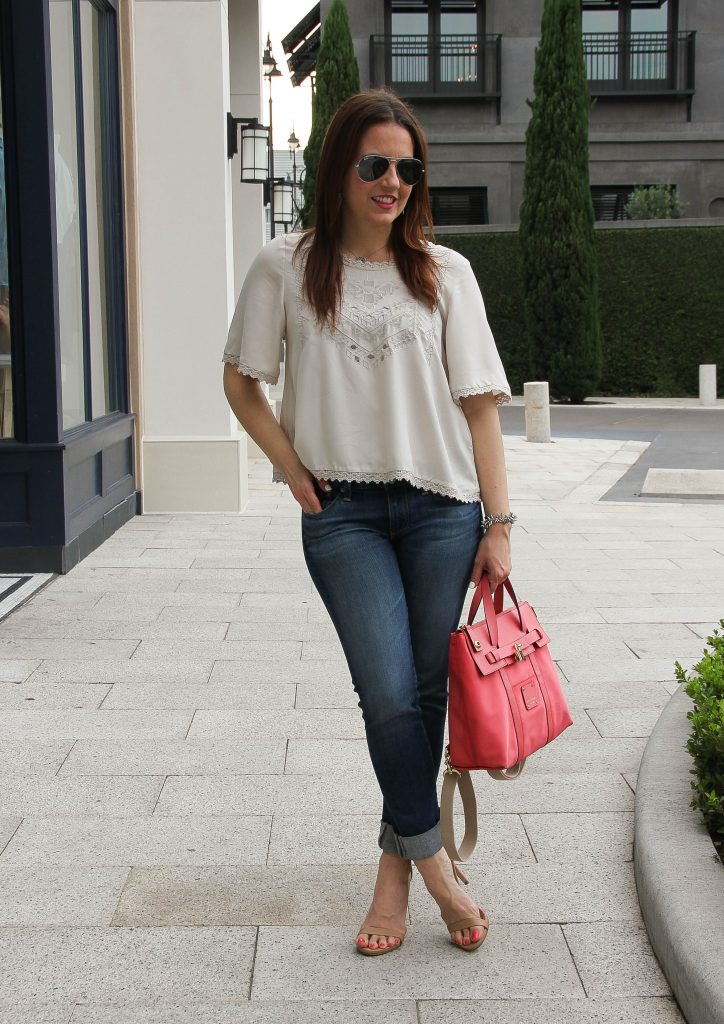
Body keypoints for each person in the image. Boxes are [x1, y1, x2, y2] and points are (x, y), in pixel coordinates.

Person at [223, 89, 515, 956]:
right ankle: (434, 870)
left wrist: (499, 525)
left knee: (425, 693)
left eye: (407, 168)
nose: (393, 182)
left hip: (441, 511)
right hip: (343, 513)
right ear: (339, 168)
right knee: (388, 692)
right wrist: (290, 466)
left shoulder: (445, 271)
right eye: (375, 165)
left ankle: (392, 873)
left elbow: (482, 409)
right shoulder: (286, 264)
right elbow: (242, 382)